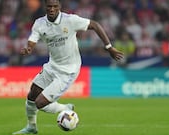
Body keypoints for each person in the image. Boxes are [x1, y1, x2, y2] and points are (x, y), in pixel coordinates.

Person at [12, 0, 124, 134]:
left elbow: (95, 25)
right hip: (52, 65)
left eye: (55, 6)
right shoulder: (40, 23)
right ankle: (31, 127)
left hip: (68, 70)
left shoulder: (70, 20)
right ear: (45, 7)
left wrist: (109, 47)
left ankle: (65, 108)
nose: (52, 9)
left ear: (59, 7)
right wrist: (29, 48)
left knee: (40, 103)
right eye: (49, 6)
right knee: (31, 95)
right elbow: (33, 39)